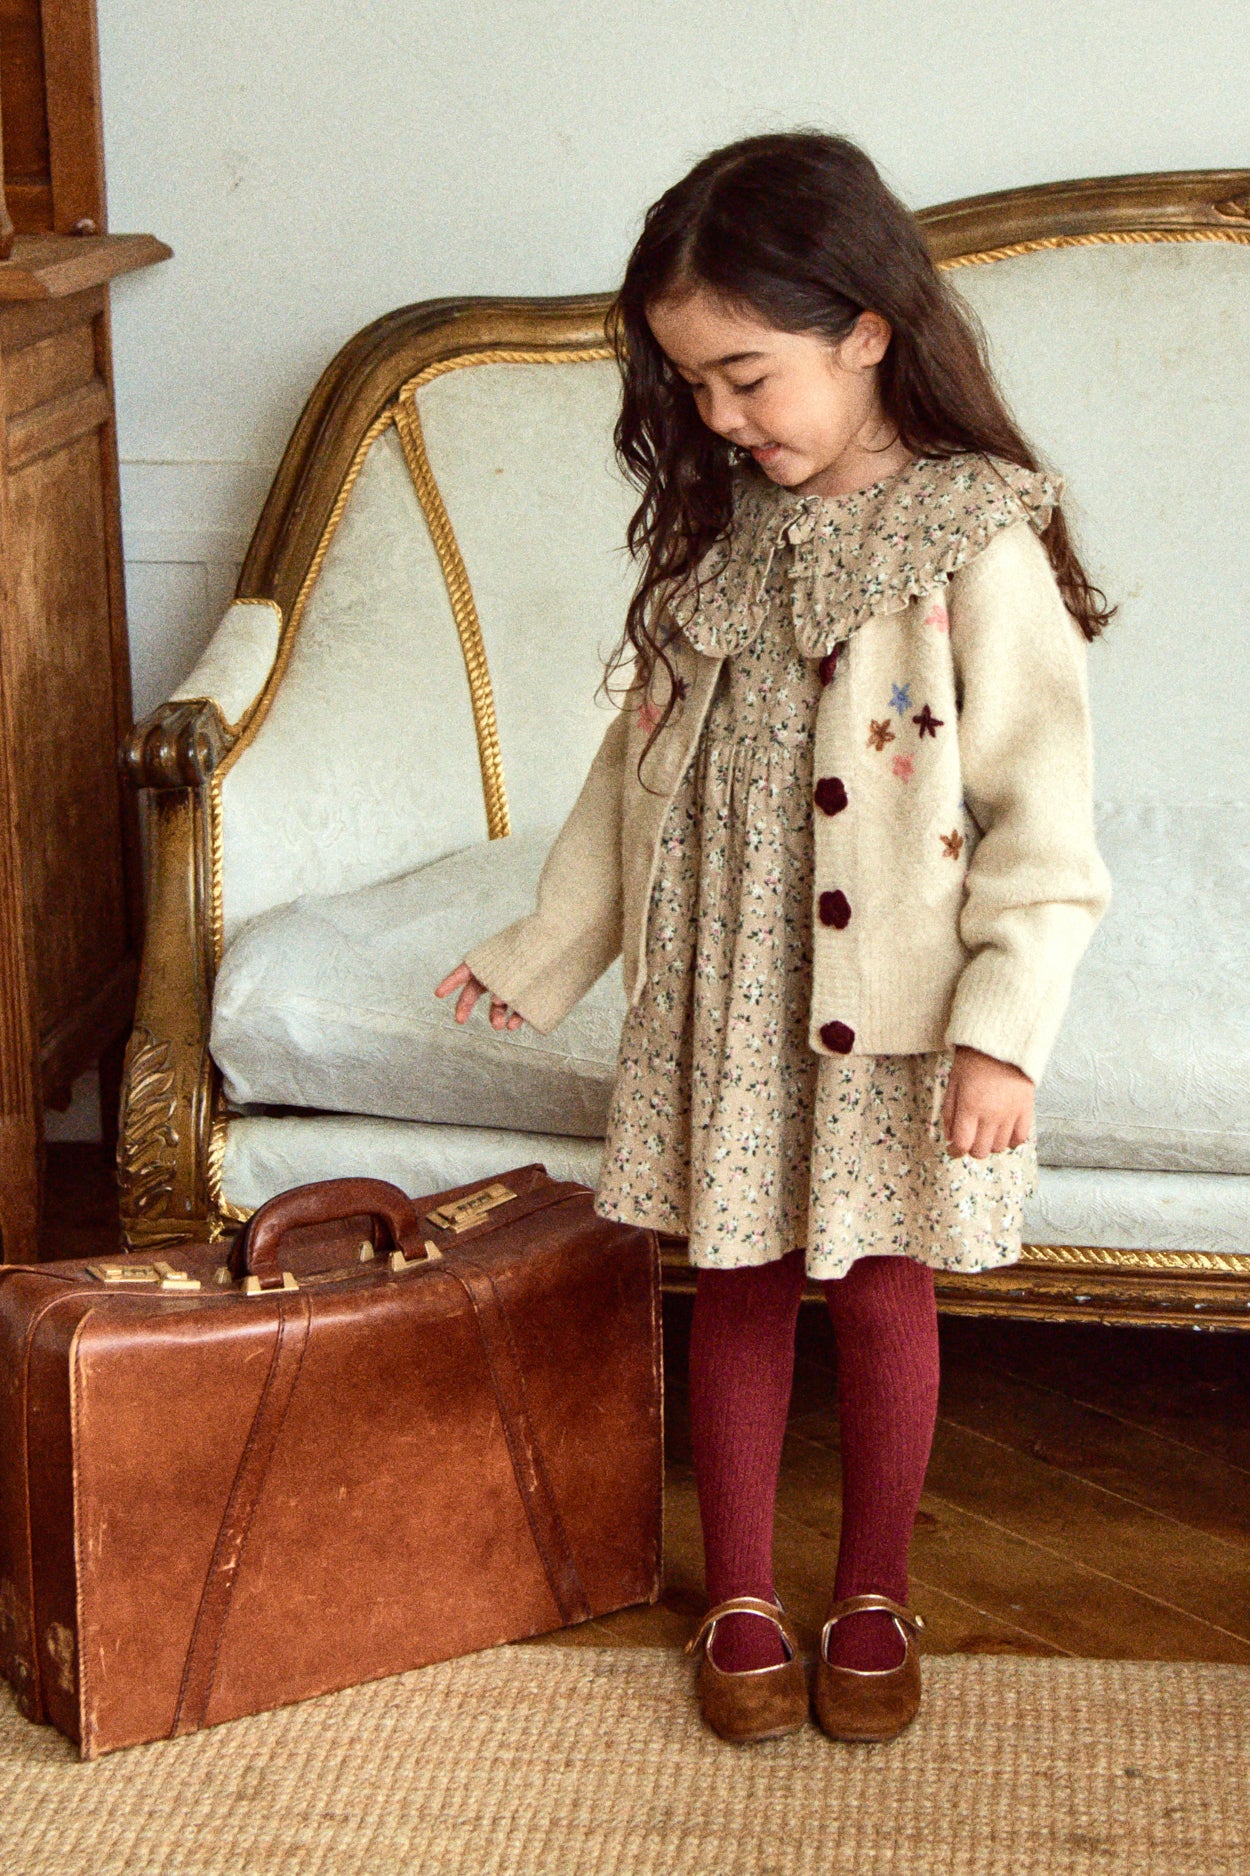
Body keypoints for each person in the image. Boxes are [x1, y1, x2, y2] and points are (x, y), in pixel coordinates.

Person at [435, 130, 1112, 1748]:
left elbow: (1044, 819)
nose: (721, 417)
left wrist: (1001, 1032)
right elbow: (630, 782)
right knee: (729, 1277)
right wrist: (546, 949)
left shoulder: (970, 538)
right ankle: (737, 1593)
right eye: (693, 387)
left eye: (745, 377)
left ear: (864, 331)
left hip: (895, 1010)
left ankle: (873, 1589)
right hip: (725, 995)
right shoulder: (721, 540)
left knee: (879, 1287)